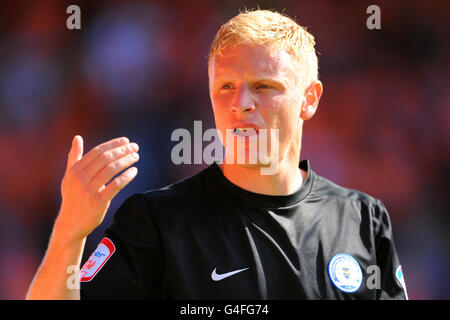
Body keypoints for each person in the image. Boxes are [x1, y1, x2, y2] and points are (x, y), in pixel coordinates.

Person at [26, 9, 408, 300]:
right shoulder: (156, 222)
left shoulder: (364, 220)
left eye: (263, 85)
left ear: (309, 99)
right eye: (226, 86)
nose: (241, 103)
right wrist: (70, 232)